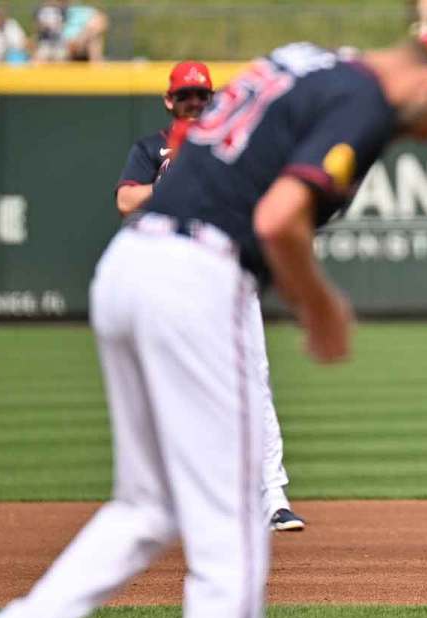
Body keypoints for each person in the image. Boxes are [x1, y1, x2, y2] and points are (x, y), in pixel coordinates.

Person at [0, 27, 427, 618]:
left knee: (146, 504)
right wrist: (319, 305)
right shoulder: (368, 101)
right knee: (234, 527)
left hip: (129, 266)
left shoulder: (304, 59)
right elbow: (279, 216)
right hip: (198, 276)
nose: (424, 134)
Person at [114, 60, 308, 533]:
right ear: (170, 100)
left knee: (254, 380)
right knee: (172, 384)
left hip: (229, 272)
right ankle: (181, 497)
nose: (194, 104)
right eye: (186, 96)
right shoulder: (150, 148)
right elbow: (124, 201)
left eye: (202, 96)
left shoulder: (231, 147)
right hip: (168, 279)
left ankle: (273, 495)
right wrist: (165, 182)